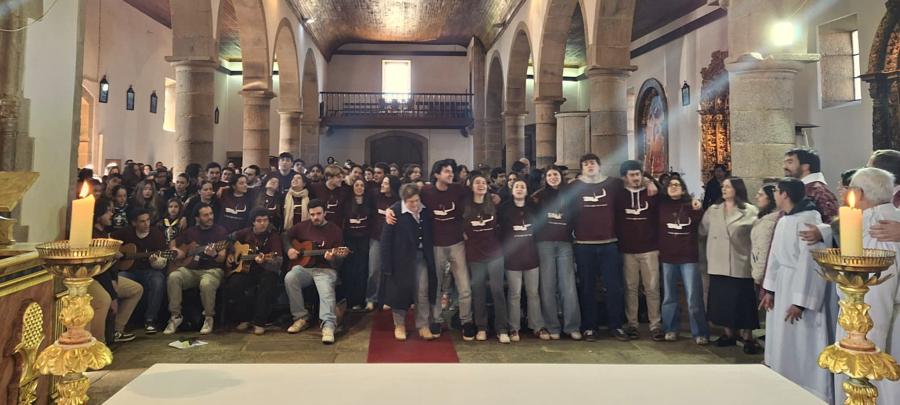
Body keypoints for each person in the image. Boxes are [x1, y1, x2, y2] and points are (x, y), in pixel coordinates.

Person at [760, 178, 834, 403]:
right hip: (783, 284)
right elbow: (775, 256)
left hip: (799, 287)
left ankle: (808, 388)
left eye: (776, 191)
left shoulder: (809, 220)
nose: (774, 195)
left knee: (802, 340)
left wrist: (801, 302)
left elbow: (810, 262)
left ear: (785, 194)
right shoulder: (786, 219)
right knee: (782, 340)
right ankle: (782, 383)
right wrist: (770, 290)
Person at [833, 167, 900, 403]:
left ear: (858, 193)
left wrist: (863, 355)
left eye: (848, 189)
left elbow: (873, 300)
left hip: (870, 336)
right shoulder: (891, 219)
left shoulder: (878, 228)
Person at [570, 153, 627, 341]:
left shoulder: (613, 184)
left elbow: (636, 181)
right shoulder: (574, 186)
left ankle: (616, 325)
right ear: (581, 168)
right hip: (584, 245)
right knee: (587, 288)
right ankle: (589, 327)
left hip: (609, 244)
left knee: (614, 287)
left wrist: (650, 182)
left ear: (599, 165)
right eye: (586, 164)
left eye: (592, 163)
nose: (590, 166)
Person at [700, 177, 761, 352]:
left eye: (728, 186)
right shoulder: (713, 210)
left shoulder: (750, 211)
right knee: (723, 301)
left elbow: (757, 236)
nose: (724, 189)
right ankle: (728, 333)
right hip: (718, 261)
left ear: (737, 189)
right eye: (723, 186)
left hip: (739, 260)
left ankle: (747, 335)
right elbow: (703, 231)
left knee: (743, 300)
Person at [284, 199, 349, 344]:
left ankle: (328, 325)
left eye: (319, 214)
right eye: (312, 214)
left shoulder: (335, 230)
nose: (315, 217)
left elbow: (339, 262)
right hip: (305, 268)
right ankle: (301, 318)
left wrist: (332, 258)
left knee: (325, 288)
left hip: (326, 269)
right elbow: (285, 236)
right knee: (290, 277)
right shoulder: (302, 227)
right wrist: (289, 249)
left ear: (325, 213)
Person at [380, 183, 438, 341]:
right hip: (400, 259)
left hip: (422, 256)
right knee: (400, 291)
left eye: (416, 200)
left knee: (422, 291)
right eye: (410, 202)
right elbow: (386, 240)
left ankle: (423, 325)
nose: (414, 204)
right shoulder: (395, 212)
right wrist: (386, 265)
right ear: (403, 200)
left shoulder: (425, 211)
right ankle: (399, 325)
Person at [531, 166, 581, 340]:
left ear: (561, 176)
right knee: (547, 285)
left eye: (556, 174)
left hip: (565, 242)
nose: (553, 177)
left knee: (568, 285)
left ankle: (572, 326)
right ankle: (552, 326)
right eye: (550, 175)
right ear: (545, 178)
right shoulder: (538, 196)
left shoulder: (570, 193)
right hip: (544, 243)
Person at [164, 203, 229, 335]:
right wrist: (177, 251)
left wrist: (214, 254)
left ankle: (208, 317)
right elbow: (173, 243)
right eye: (206, 215)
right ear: (197, 218)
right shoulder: (191, 232)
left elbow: (222, 258)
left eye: (211, 214)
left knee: (206, 283)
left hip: (212, 270)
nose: (210, 217)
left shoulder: (220, 231)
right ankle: (175, 316)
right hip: (191, 269)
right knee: (173, 277)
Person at [657, 176, 708, 344]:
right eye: (670, 185)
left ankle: (699, 332)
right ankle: (670, 329)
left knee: (693, 297)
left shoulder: (691, 206)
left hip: (688, 257)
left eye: (677, 185)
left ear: (683, 189)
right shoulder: (661, 206)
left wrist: (697, 206)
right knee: (669, 296)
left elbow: (701, 226)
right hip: (668, 257)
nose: (673, 187)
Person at [617, 160, 662, 341]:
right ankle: (632, 325)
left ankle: (655, 325)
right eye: (632, 175)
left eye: (638, 174)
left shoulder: (652, 193)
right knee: (630, 288)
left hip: (650, 248)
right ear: (625, 177)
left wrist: (651, 182)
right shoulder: (619, 194)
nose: (635, 178)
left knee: (652, 288)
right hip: (627, 249)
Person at [88, 198, 143, 343]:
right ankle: (98, 342)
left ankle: (117, 330)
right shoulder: (91, 235)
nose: (112, 214)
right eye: (108, 211)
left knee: (136, 289)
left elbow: (111, 264)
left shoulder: (105, 233)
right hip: (94, 277)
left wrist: (114, 280)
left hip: (108, 276)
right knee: (104, 300)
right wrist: (113, 294)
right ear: (99, 214)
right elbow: (99, 268)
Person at [500, 179, 549, 341]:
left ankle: (537, 326)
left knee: (533, 293)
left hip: (531, 256)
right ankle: (514, 328)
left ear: (527, 191)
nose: (520, 189)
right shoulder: (504, 208)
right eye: (517, 186)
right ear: (511, 190)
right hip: (512, 258)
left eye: (523, 186)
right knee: (514, 294)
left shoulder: (533, 208)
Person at [464, 174, 510, 343]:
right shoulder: (465, 205)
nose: (481, 185)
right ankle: (481, 327)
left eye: (483, 182)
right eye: (477, 182)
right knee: (478, 291)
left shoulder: (494, 203)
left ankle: (502, 328)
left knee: (497, 290)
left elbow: (503, 226)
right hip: (475, 254)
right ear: (471, 186)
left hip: (494, 253)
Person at [225, 209, 284, 335]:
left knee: (267, 283)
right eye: (259, 221)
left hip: (267, 270)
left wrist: (263, 262)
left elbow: (278, 261)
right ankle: (245, 318)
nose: (263, 223)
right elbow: (229, 238)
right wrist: (231, 253)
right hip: (247, 270)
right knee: (234, 283)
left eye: (265, 220)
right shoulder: (246, 232)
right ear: (253, 222)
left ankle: (259, 322)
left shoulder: (273, 236)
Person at [116, 207, 169, 334]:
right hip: (129, 271)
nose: (146, 224)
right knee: (119, 279)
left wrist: (154, 261)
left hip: (149, 271)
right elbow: (108, 240)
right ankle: (119, 323)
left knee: (158, 280)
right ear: (134, 223)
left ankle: (150, 319)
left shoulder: (156, 235)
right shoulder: (126, 233)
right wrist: (117, 252)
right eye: (142, 221)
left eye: (148, 220)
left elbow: (162, 263)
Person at [366, 175, 400, 311]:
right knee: (374, 269)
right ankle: (371, 298)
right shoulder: (375, 197)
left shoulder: (398, 201)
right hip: (376, 237)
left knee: (391, 270)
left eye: (385, 183)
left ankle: (388, 298)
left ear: (392, 186)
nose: (382, 185)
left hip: (393, 240)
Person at [783, 148, 839, 223]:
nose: (784, 167)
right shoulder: (802, 189)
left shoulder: (819, 193)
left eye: (790, 162)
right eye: (785, 163)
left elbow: (832, 224)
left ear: (805, 166)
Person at [343, 178, 372, 311]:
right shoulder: (347, 202)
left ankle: (360, 301)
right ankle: (351, 300)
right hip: (350, 240)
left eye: (361, 185)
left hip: (364, 240)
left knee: (362, 270)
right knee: (351, 270)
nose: (359, 187)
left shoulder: (369, 202)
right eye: (357, 185)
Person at [750, 184, 779, 286]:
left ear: (770, 198)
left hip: (764, 276)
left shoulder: (768, 222)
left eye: (761, 195)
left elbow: (764, 250)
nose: (756, 197)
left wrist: (757, 276)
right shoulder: (765, 218)